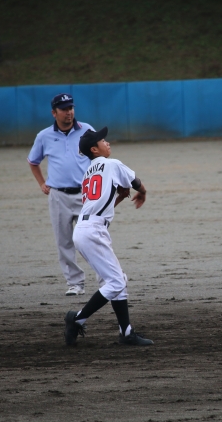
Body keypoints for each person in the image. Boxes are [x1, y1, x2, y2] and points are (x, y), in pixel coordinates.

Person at [63, 127, 153, 346]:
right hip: (93, 232)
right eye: (103, 141)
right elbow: (135, 182)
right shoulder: (112, 164)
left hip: (86, 230)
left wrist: (120, 197)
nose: (107, 143)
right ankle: (77, 319)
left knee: (114, 280)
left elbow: (101, 207)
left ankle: (126, 332)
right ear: (94, 149)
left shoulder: (88, 174)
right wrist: (143, 192)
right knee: (116, 281)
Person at [27, 93, 93, 297]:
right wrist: (42, 183)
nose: (69, 112)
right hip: (58, 196)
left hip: (85, 195)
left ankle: (106, 278)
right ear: (54, 113)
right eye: (64, 109)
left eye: (71, 108)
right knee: (64, 242)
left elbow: (100, 155)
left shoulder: (87, 130)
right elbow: (33, 161)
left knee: (90, 238)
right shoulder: (44, 136)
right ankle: (75, 283)